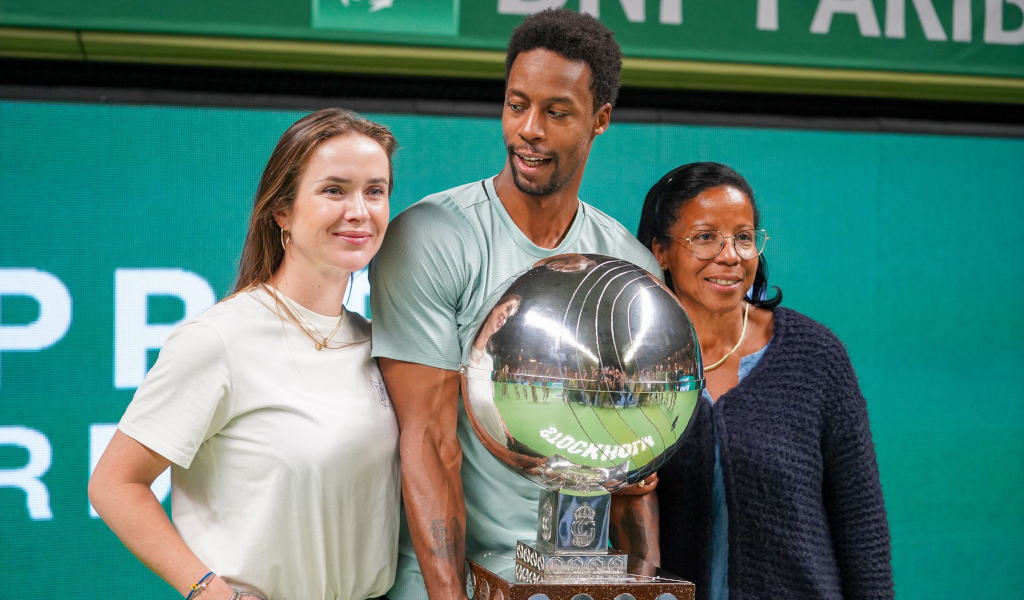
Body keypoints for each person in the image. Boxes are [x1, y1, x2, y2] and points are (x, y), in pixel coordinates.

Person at [369, 10, 661, 600]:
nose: (529, 129)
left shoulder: (629, 267)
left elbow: (633, 467)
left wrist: (643, 583)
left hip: (582, 583)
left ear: (599, 120)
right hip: (449, 582)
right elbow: (429, 440)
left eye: (556, 112)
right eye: (516, 104)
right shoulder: (432, 237)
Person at [88, 109, 401, 600]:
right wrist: (208, 591)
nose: (359, 210)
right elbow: (114, 484)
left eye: (375, 190)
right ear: (282, 211)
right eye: (334, 190)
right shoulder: (219, 340)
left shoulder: (378, 345)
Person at [634, 162, 894, 600]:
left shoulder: (814, 356)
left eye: (743, 236)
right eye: (705, 237)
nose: (730, 255)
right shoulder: (626, 362)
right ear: (661, 250)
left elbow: (861, 520)